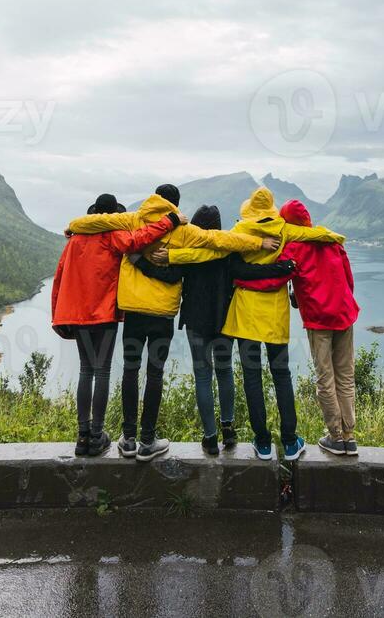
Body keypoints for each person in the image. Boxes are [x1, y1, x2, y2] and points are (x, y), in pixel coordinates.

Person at [65, 184, 280, 461]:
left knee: (131, 371)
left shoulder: (132, 219)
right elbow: (221, 241)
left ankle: (128, 439)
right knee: (155, 374)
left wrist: (74, 226)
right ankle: (147, 440)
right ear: (175, 206)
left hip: (133, 313)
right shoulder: (181, 230)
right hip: (162, 316)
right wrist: (259, 243)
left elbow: (97, 221)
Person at [161, 186, 346, 461]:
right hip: (275, 315)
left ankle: (261, 442)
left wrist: (173, 256)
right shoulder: (284, 230)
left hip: (245, 315)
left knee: (252, 377)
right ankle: (290, 440)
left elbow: (208, 253)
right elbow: (313, 233)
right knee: (282, 375)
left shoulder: (239, 232)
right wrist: (336, 237)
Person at [135, 204, 296, 455]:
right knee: (225, 372)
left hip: (197, 323)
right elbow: (246, 269)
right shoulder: (230, 250)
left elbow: (170, 276)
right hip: (223, 322)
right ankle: (228, 429)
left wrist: (139, 260)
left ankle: (210, 438)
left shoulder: (189, 252)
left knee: (202, 376)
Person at [51, 192, 185, 457]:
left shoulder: (75, 239)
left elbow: (59, 276)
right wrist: (169, 221)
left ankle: (83, 437)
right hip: (103, 314)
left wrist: (58, 315)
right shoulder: (112, 236)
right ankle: (98, 434)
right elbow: (139, 239)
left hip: (76, 315)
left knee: (85, 371)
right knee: (101, 373)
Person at [242, 199, 360, 456]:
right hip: (344, 314)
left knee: (325, 377)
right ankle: (349, 437)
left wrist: (240, 277)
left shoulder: (295, 247)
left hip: (319, 320)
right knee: (346, 376)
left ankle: (335, 436)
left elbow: (274, 279)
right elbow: (348, 279)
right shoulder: (329, 240)